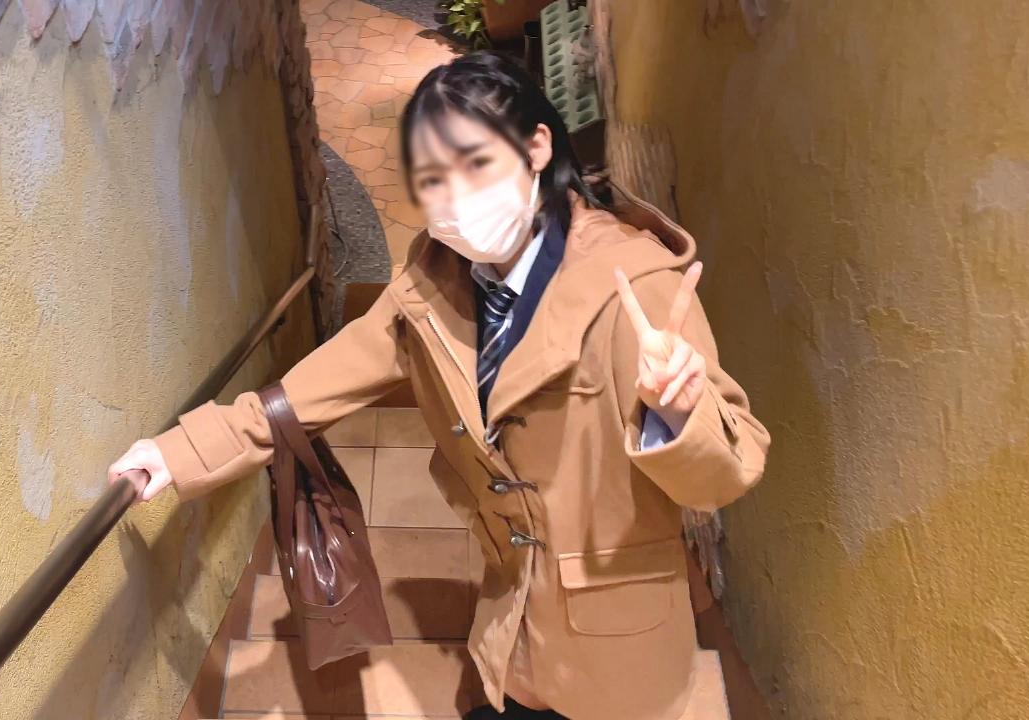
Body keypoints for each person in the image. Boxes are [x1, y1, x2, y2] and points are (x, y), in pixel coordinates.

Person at [109, 51, 770, 720]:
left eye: (475, 164)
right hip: (514, 610)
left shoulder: (634, 286)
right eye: (433, 180)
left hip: (617, 637)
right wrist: (179, 453)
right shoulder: (436, 287)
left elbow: (725, 474)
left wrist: (679, 413)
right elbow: (315, 387)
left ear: (536, 147)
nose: (457, 200)